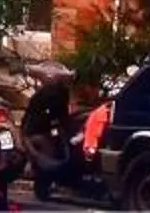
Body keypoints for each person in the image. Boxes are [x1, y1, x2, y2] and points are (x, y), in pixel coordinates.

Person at [19, 73, 87, 202]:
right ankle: (50, 181)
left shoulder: (45, 92)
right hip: (39, 132)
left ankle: (44, 181)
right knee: (51, 154)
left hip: (29, 130)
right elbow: (62, 117)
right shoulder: (60, 94)